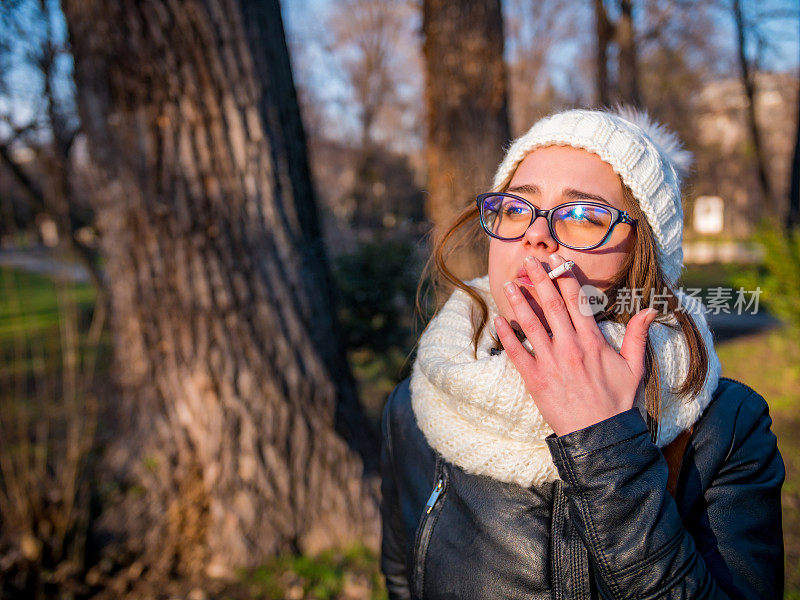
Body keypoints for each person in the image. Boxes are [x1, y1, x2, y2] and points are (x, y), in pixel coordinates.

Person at [378, 107, 785, 599]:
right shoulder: (417, 405)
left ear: (644, 257)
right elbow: (403, 581)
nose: (536, 234)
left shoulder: (725, 428)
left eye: (584, 215)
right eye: (515, 207)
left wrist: (607, 443)